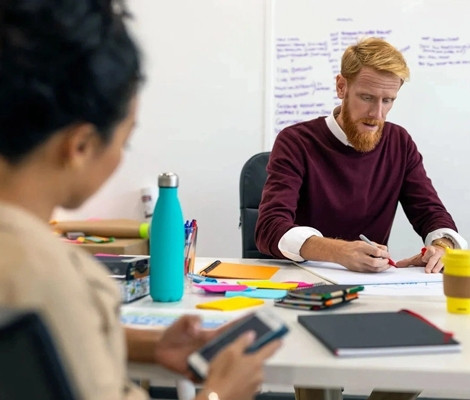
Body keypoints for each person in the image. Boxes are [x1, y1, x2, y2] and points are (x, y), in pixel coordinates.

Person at [0, 1, 281, 400]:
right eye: (125, 140)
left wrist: (147, 345)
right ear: (79, 146)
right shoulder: (45, 276)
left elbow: (57, 345)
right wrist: (220, 394)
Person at [256, 37, 468, 274]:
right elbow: (269, 228)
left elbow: (431, 212)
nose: (376, 114)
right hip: (301, 279)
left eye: (388, 101)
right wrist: (338, 252)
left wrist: (441, 247)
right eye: (367, 97)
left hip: (372, 283)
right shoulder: (296, 141)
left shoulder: (400, 142)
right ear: (341, 87)